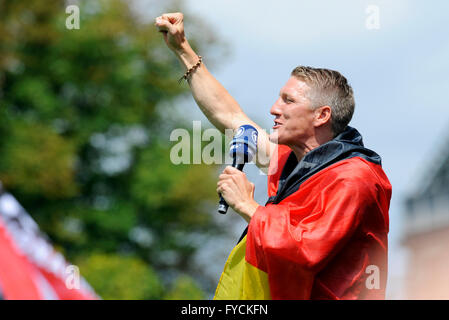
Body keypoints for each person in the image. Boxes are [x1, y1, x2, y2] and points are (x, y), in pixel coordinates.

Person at [155, 13, 392, 300]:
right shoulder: (295, 161)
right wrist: (182, 48)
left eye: (288, 100)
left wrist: (247, 205)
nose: (273, 109)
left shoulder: (355, 178)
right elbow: (230, 116)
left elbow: (306, 251)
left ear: (322, 115)